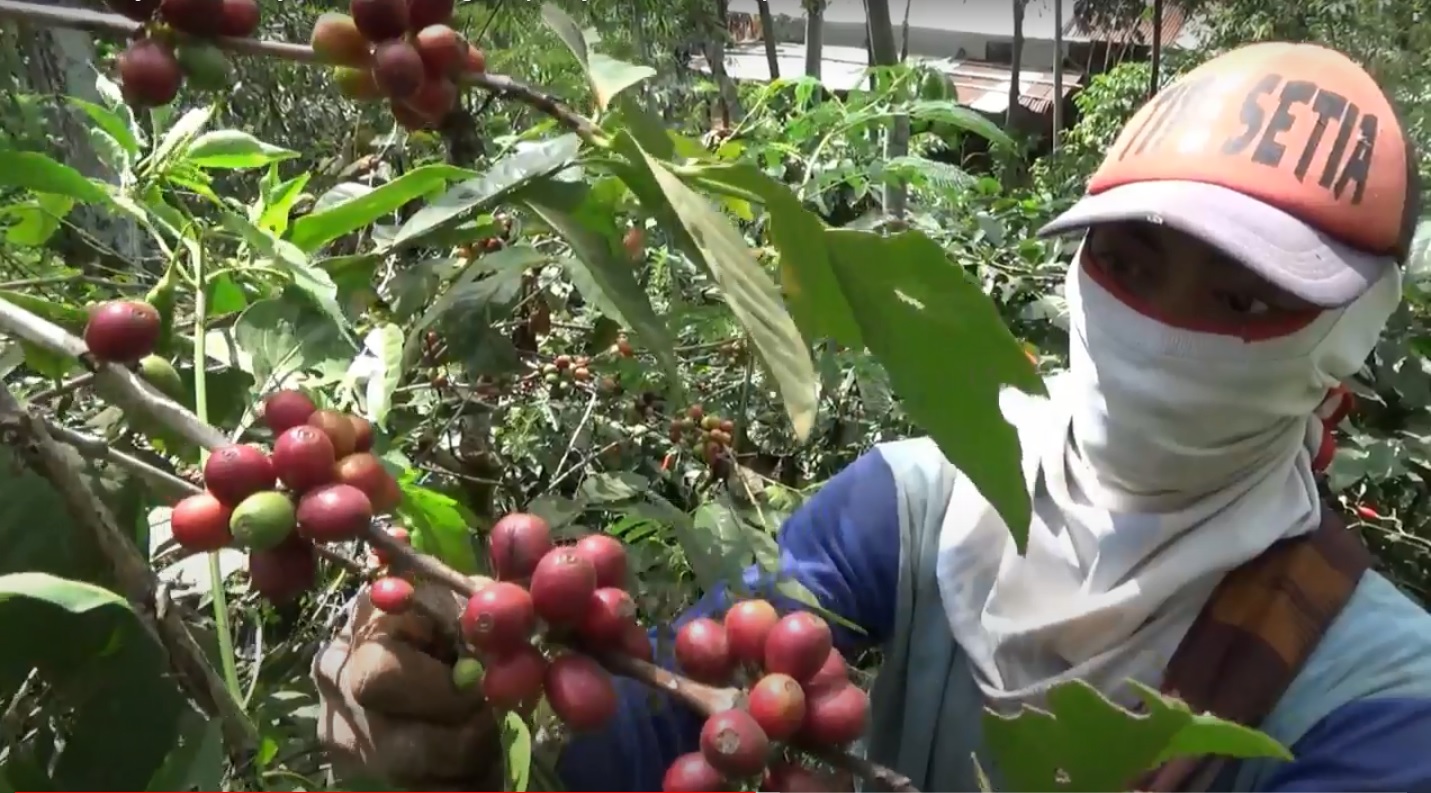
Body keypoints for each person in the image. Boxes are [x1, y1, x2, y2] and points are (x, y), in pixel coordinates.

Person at [313, 42, 1431, 792]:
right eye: (1131, 262)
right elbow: (662, 722)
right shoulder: (917, 506)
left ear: (1346, 335)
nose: (1166, 330)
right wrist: (458, 735)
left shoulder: (1380, 694)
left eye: (1246, 298)